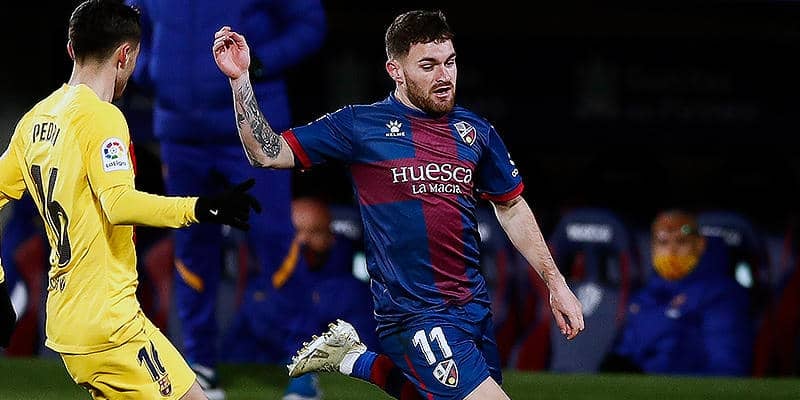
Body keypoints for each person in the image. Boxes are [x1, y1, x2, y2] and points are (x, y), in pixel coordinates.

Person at [212, 9, 584, 399]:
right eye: (428, 66)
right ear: (396, 70)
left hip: (473, 309)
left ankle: (353, 359)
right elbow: (267, 152)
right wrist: (241, 80)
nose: (444, 76)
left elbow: (512, 206)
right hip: (413, 313)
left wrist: (556, 284)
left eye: (450, 62)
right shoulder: (360, 126)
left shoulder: (475, 132)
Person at [0, 1, 260, 399]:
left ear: (71, 48)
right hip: (110, 324)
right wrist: (199, 207)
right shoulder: (102, 117)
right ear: (125, 55)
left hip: (69, 320)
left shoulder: (36, 119)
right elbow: (119, 204)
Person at [123, 2, 326, 397]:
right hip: (181, 134)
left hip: (252, 125)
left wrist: (259, 64)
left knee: (275, 240)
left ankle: (304, 366)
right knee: (191, 245)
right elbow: (130, 26)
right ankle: (200, 363)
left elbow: (309, 24)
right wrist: (153, 69)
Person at [222, 196, 378, 400]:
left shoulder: (354, 293)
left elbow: (366, 357)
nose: (303, 241)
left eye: (315, 232)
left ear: (331, 238)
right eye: (294, 232)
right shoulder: (259, 291)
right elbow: (234, 357)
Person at [599, 210, 754, 376]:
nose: (671, 251)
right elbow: (625, 354)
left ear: (700, 244)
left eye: (681, 242)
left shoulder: (721, 296)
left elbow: (727, 368)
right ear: (653, 248)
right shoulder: (643, 297)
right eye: (663, 243)